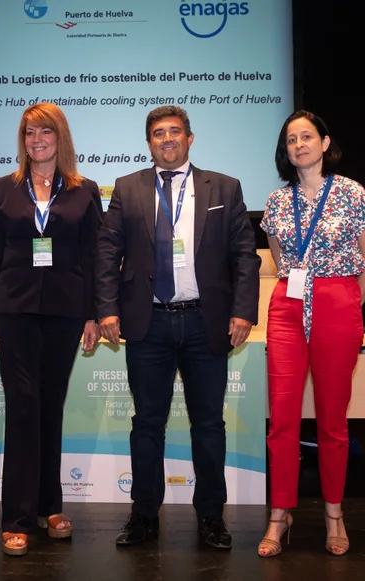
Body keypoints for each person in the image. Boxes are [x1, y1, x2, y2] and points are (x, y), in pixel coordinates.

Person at [95, 105, 261, 550]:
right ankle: (143, 516)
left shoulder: (224, 186)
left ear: (190, 138)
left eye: (174, 132)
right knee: (147, 423)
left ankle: (211, 517)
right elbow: (108, 252)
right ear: (149, 143)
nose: (166, 139)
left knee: (209, 424)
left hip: (206, 322)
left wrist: (243, 311)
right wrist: (107, 308)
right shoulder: (128, 188)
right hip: (147, 325)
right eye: (157, 134)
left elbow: (245, 255)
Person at [0, 102, 104, 557]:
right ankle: (16, 516)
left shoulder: (85, 190)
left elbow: (94, 257)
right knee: (23, 407)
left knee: (51, 406)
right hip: (13, 311)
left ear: (60, 138)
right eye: (30, 133)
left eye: (46, 132)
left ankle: (51, 504)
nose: (37, 140)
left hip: (66, 312)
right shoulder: (3, 188)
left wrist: (93, 314)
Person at [257, 110, 365, 557]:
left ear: (325, 143)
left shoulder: (351, 192)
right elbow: (278, 259)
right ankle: (280, 514)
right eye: (291, 140)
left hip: (336, 302)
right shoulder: (276, 201)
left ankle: (334, 514)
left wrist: (347, 303)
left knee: (332, 420)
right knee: (283, 417)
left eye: (307, 137)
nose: (299, 145)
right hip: (288, 307)